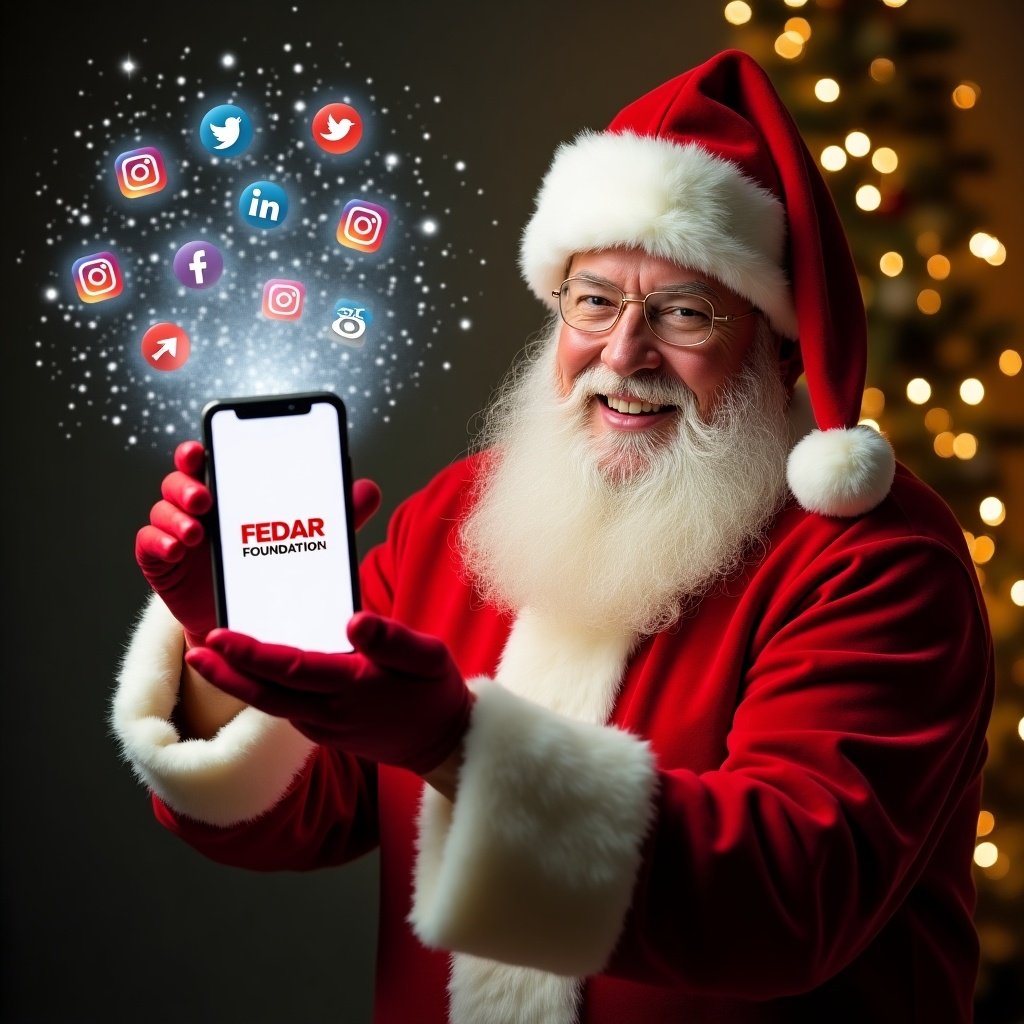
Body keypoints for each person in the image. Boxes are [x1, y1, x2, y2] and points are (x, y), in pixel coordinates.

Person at [111, 49, 994, 1023]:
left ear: (776, 345)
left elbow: (790, 893)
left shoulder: (879, 561)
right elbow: (309, 808)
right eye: (596, 299)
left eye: (683, 311)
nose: (624, 351)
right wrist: (217, 632)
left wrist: (454, 741)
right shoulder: (457, 516)